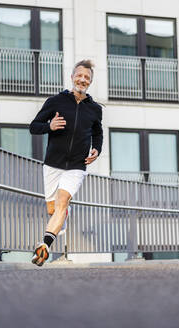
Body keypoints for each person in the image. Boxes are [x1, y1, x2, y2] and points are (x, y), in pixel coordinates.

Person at [29, 59, 103, 266]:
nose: (82, 79)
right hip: (53, 163)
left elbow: (98, 133)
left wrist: (97, 149)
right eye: (79, 75)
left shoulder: (95, 109)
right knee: (53, 209)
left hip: (77, 166)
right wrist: (50, 126)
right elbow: (34, 126)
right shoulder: (56, 102)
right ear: (72, 77)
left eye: (87, 77)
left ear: (90, 82)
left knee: (62, 202)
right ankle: (60, 220)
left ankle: (44, 246)